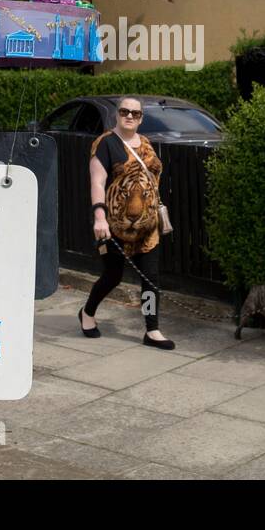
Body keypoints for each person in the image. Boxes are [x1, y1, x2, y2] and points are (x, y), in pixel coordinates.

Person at [83, 97, 174, 349]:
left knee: (151, 278)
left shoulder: (145, 143)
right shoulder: (105, 143)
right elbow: (97, 183)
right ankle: (87, 313)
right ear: (117, 114)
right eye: (125, 111)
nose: (130, 116)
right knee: (112, 276)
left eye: (135, 113)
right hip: (115, 226)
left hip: (147, 226)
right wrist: (99, 217)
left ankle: (152, 329)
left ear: (141, 117)